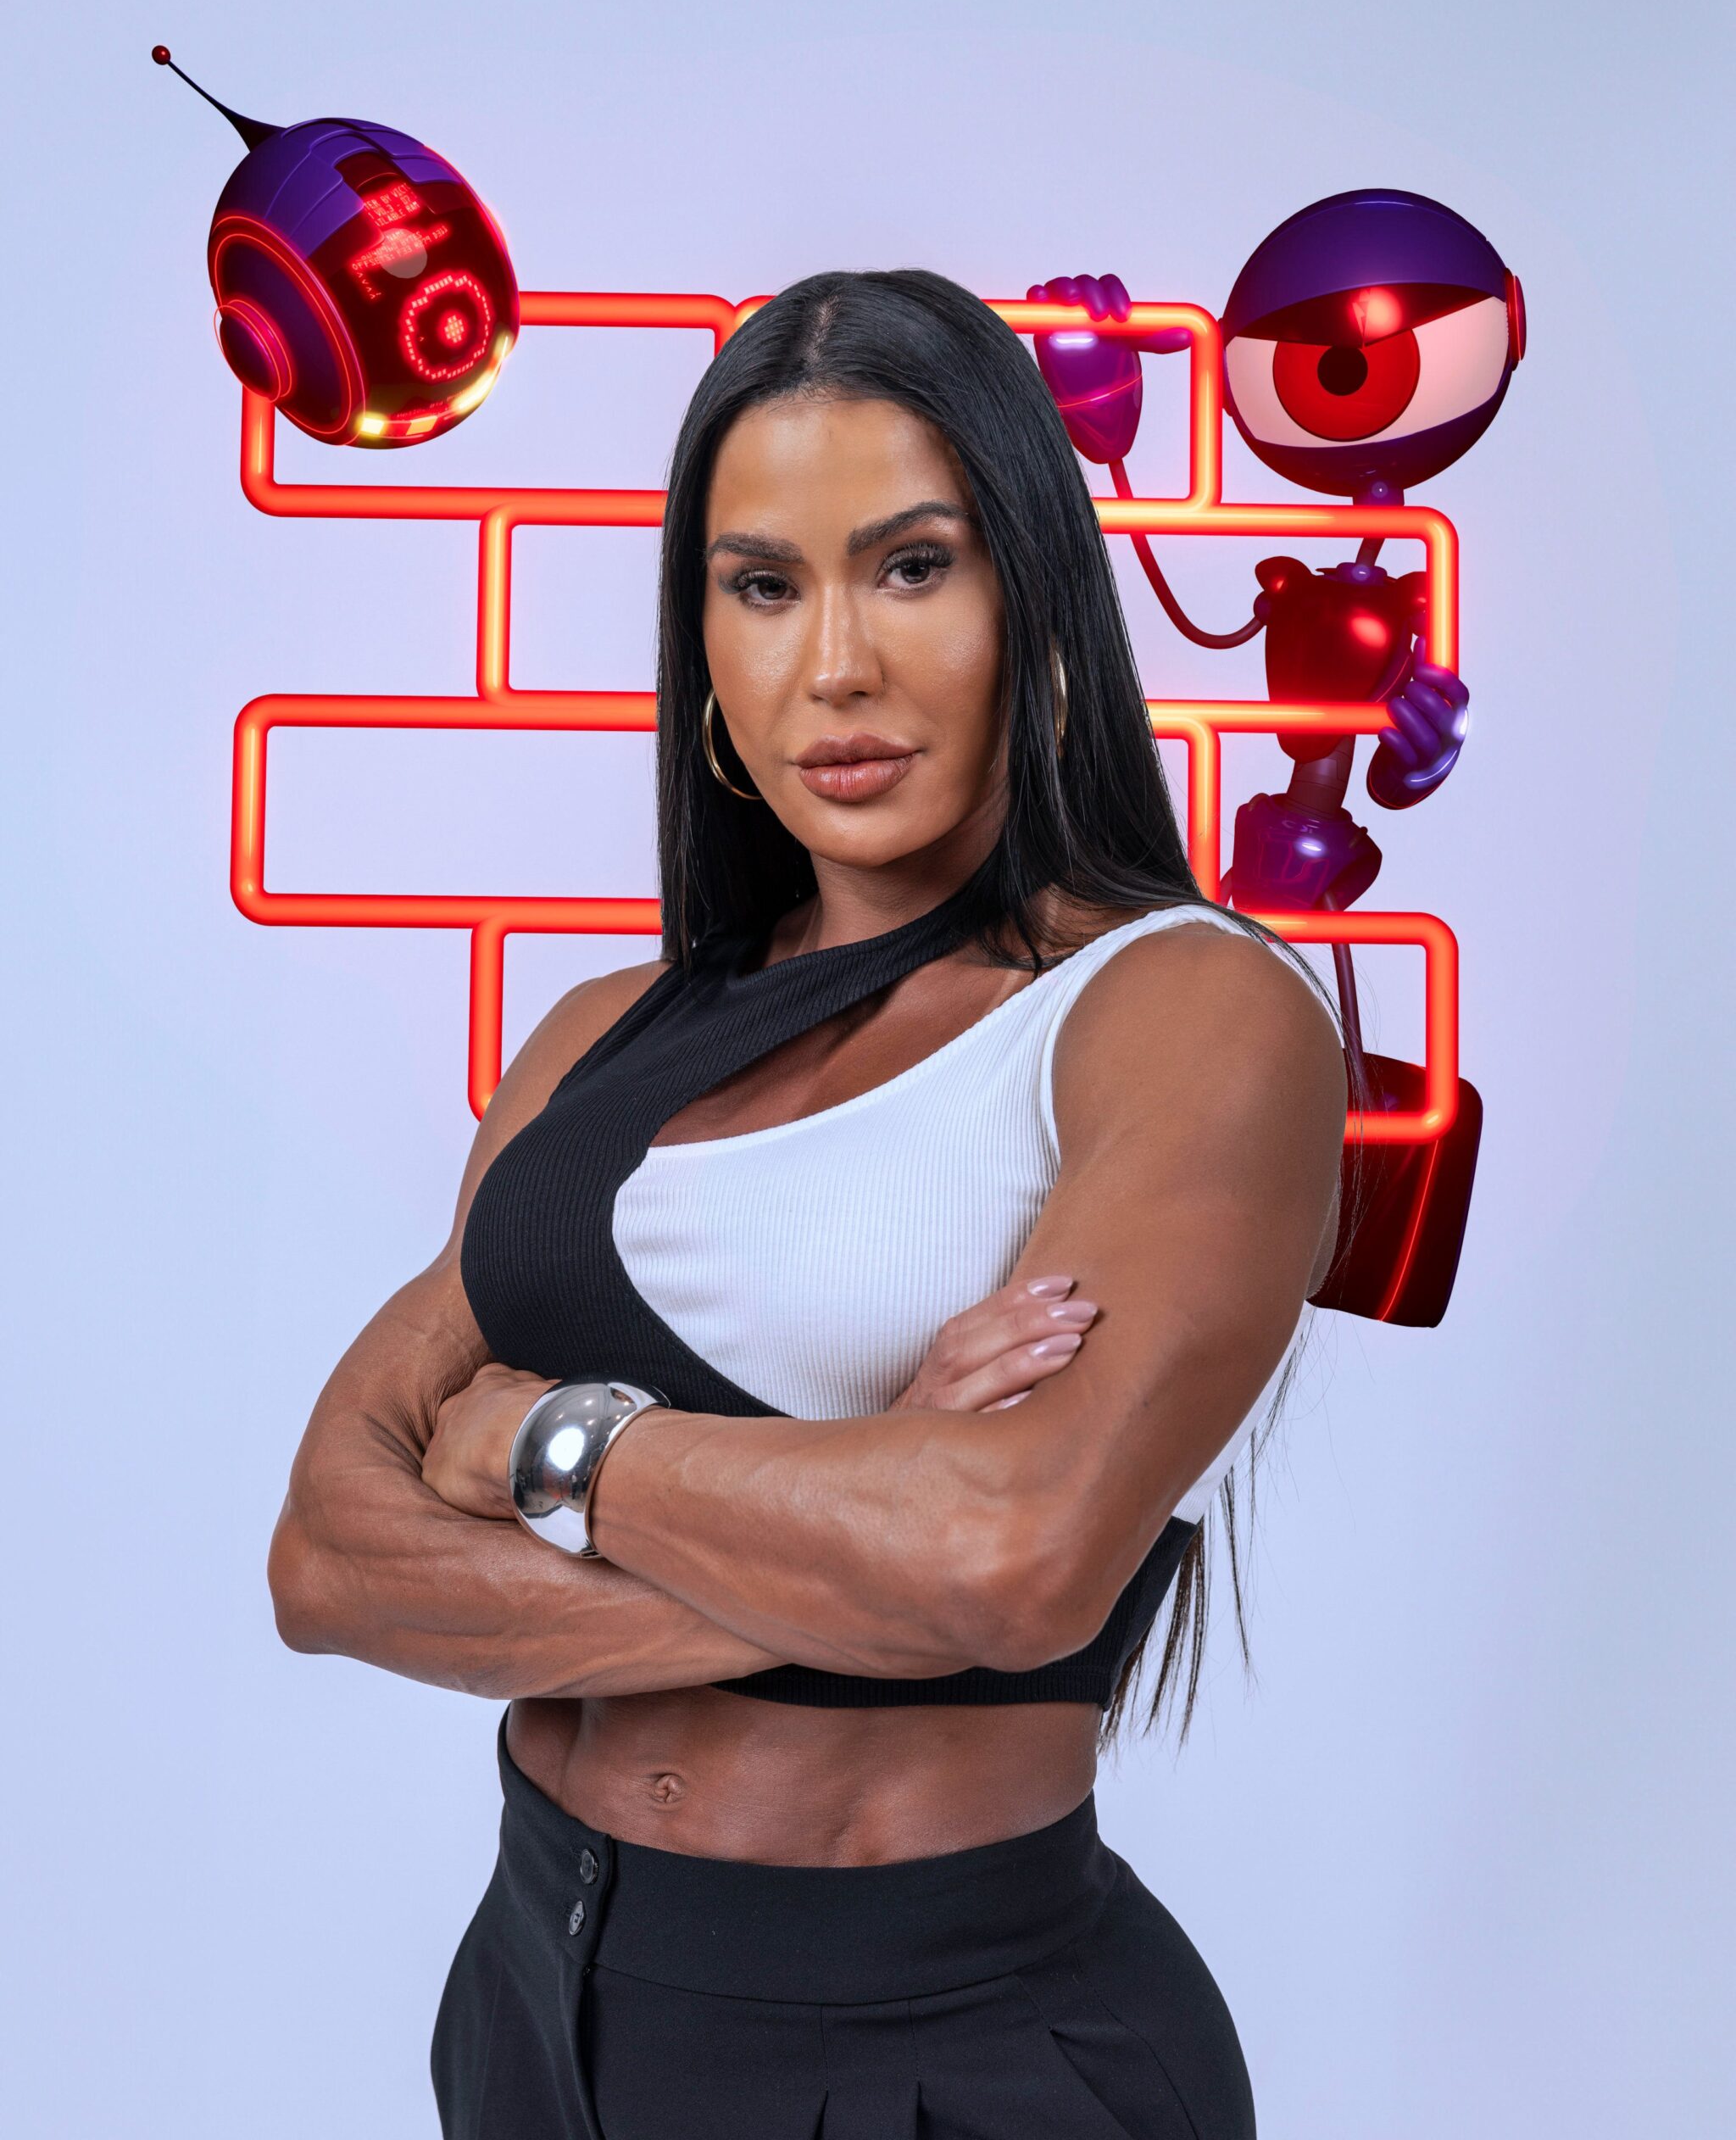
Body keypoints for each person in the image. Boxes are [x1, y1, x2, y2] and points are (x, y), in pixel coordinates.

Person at [267, 267, 1347, 2139]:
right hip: (537, 1984)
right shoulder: (597, 1036)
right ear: (701, 641)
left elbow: (1010, 1561)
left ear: (1034, 599)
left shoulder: (1177, 1009)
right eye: (762, 586)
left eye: (911, 567)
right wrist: (866, 1518)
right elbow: (328, 1558)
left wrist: (548, 1444)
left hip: (938, 2041)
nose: (833, 665)